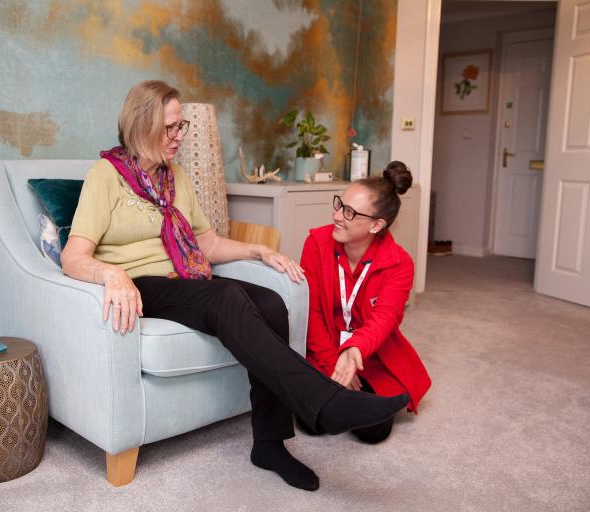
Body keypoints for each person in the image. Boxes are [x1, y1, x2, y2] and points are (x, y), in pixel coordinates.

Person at [61, 80, 409, 491]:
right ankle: (323, 402)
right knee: (226, 294)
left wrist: (257, 251)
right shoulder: (106, 177)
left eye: (181, 127)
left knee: (272, 303)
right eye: (170, 127)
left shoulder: (176, 179)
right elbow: (73, 257)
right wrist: (112, 275)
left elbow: (206, 243)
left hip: (184, 280)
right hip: (141, 285)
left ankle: (269, 444)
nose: (178, 137)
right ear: (142, 126)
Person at [299, 162, 431, 443]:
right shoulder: (316, 243)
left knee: (375, 431)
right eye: (339, 205)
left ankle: (347, 397)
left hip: (370, 355)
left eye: (349, 212)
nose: (336, 215)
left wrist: (353, 352)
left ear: (376, 224)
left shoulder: (400, 263)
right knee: (313, 424)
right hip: (324, 348)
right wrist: (334, 360)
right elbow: (311, 313)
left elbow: (385, 318)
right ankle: (338, 396)